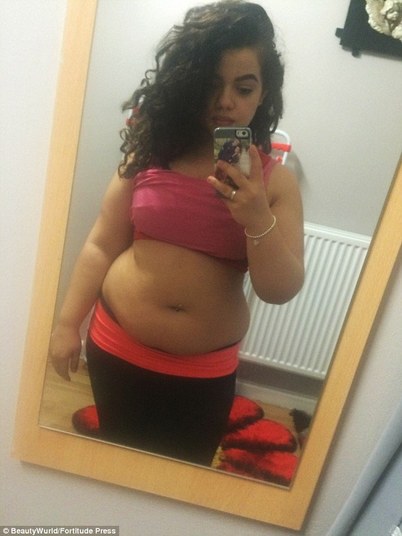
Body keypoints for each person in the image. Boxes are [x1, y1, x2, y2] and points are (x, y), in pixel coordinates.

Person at [50, 0, 304, 466]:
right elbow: (102, 243)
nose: (225, 100)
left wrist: (256, 218)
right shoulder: (152, 153)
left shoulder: (275, 183)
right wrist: (67, 323)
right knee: (115, 464)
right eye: (210, 84)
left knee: (184, 472)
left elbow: (280, 289)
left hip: (203, 371)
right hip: (116, 344)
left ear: (263, 93)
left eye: (243, 87)